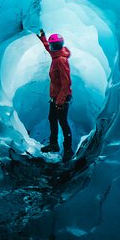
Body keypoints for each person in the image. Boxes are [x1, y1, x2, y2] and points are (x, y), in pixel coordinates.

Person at [36, 28, 73, 162]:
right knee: (52, 119)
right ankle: (54, 144)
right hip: (55, 98)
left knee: (63, 122)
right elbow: (50, 50)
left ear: (55, 46)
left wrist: (60, 102)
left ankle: (68, 150)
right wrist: (43, 39)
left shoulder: (61, 60)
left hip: (61, 99)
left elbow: (66, 83)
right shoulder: (56, 55)